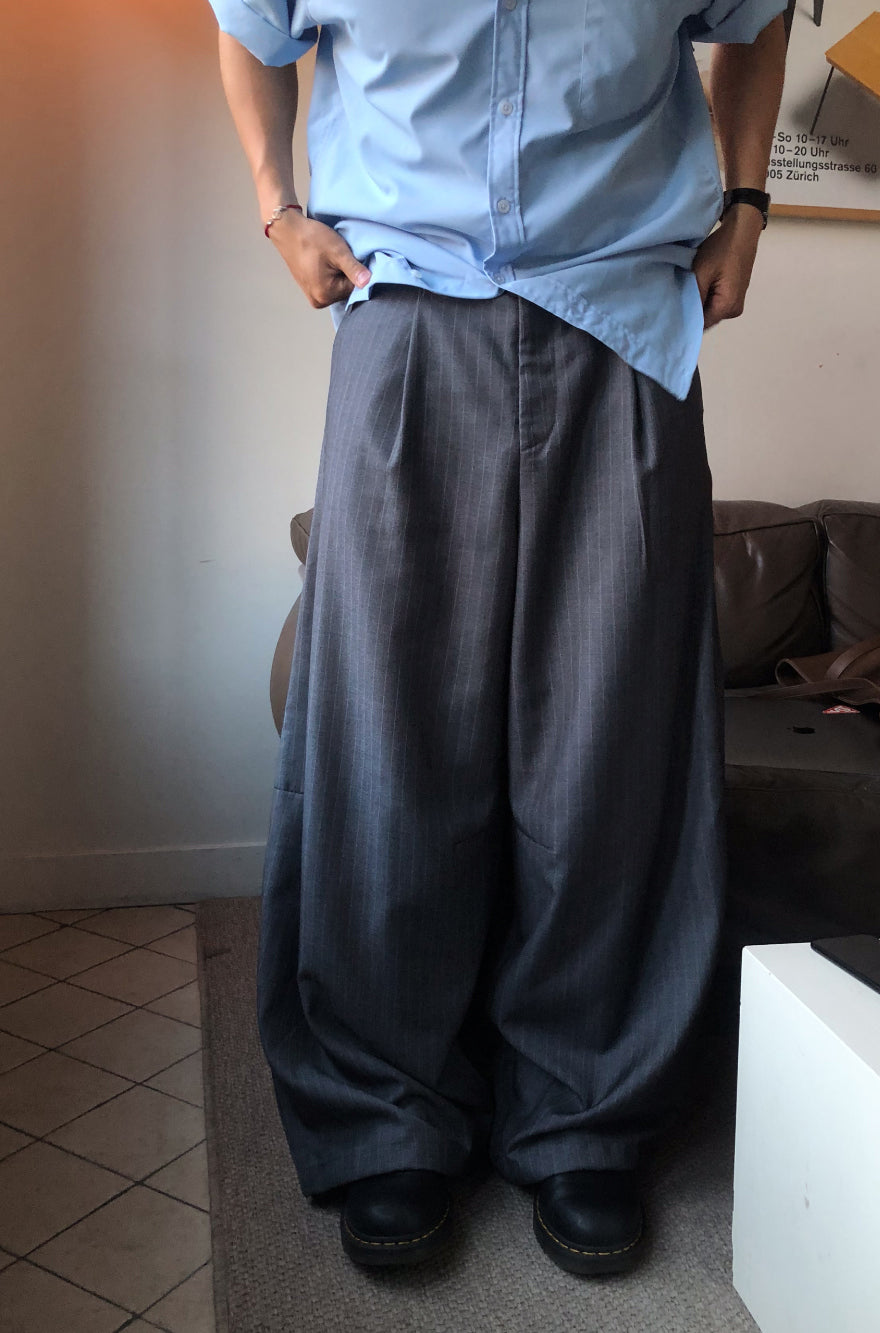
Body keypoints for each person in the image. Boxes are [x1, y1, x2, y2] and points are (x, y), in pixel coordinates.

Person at [207, 0, 786, 1276]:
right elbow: (249, 26)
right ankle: (386, 1110)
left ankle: (586, 1109)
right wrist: (276, 204)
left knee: (609, 741)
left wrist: (746, 206)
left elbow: (757, 18)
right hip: (407, 308)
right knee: (387, 738)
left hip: (622, 321)